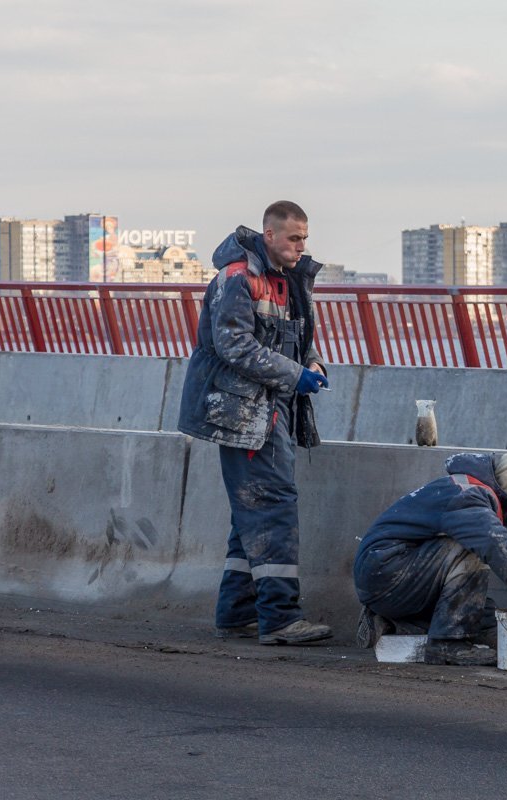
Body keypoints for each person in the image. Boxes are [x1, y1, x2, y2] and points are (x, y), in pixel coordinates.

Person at [178, 200, 332, 646]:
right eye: (294, 238)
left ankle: (237, 612)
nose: (301, 246)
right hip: (246, 415)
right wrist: (295, 375)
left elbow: (299, 339)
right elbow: (235, 347)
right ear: (269, 235)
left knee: (253, 511)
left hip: (271, 412)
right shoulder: (237, 278)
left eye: (304, 238)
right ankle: (280, 619)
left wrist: (313, 364)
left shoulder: (288, 280)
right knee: (272, 508)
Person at [354, 451, 507, 666]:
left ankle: (391, 621)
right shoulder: (467, 495)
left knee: (479, 611)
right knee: (469, 549)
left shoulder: (466, 488)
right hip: (387, 575)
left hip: (390, 578)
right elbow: (494, 542)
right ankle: (447, 644)